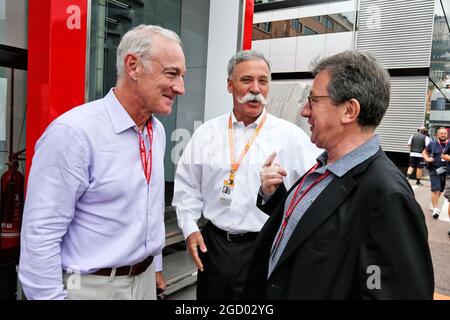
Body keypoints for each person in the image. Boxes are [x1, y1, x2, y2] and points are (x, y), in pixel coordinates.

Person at [245, 50, 434, 299]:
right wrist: (274, 196)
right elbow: (315, 227)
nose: (304, 111)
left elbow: (391, 291)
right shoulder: (325, 167)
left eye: (313, 100)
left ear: (349, 111)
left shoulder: (386, 195)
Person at [19, 25, 186, 300]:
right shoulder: (74, 133)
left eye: (182, 76)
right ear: (133, 66)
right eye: (171, 74)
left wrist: (155, 266)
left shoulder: (156, 131)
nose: (180, 87)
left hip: (144, 283)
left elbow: (149, 207)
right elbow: (41, 234)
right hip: (89, 288)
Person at [172, 50, 321, 300]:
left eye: (263, 81)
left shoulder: (291, 137)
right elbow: (187, 185)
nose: (256, 89)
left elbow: (313, 192)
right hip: (214, 247)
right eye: (246, 80)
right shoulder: (206, 133)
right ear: (230, 85)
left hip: (263, 247)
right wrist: (189, 228)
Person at [422, 127, 448, 219]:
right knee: (435, 188)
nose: (443, 135)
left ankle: (433, 203)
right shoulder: (432, 144)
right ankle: (436, 209)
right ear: (437, 135)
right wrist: (427, 158)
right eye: (441, 133)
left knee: (441, 189)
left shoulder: (449, 144)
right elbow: (424, 152)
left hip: (445, 170)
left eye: (445, 133)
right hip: (434, 169)